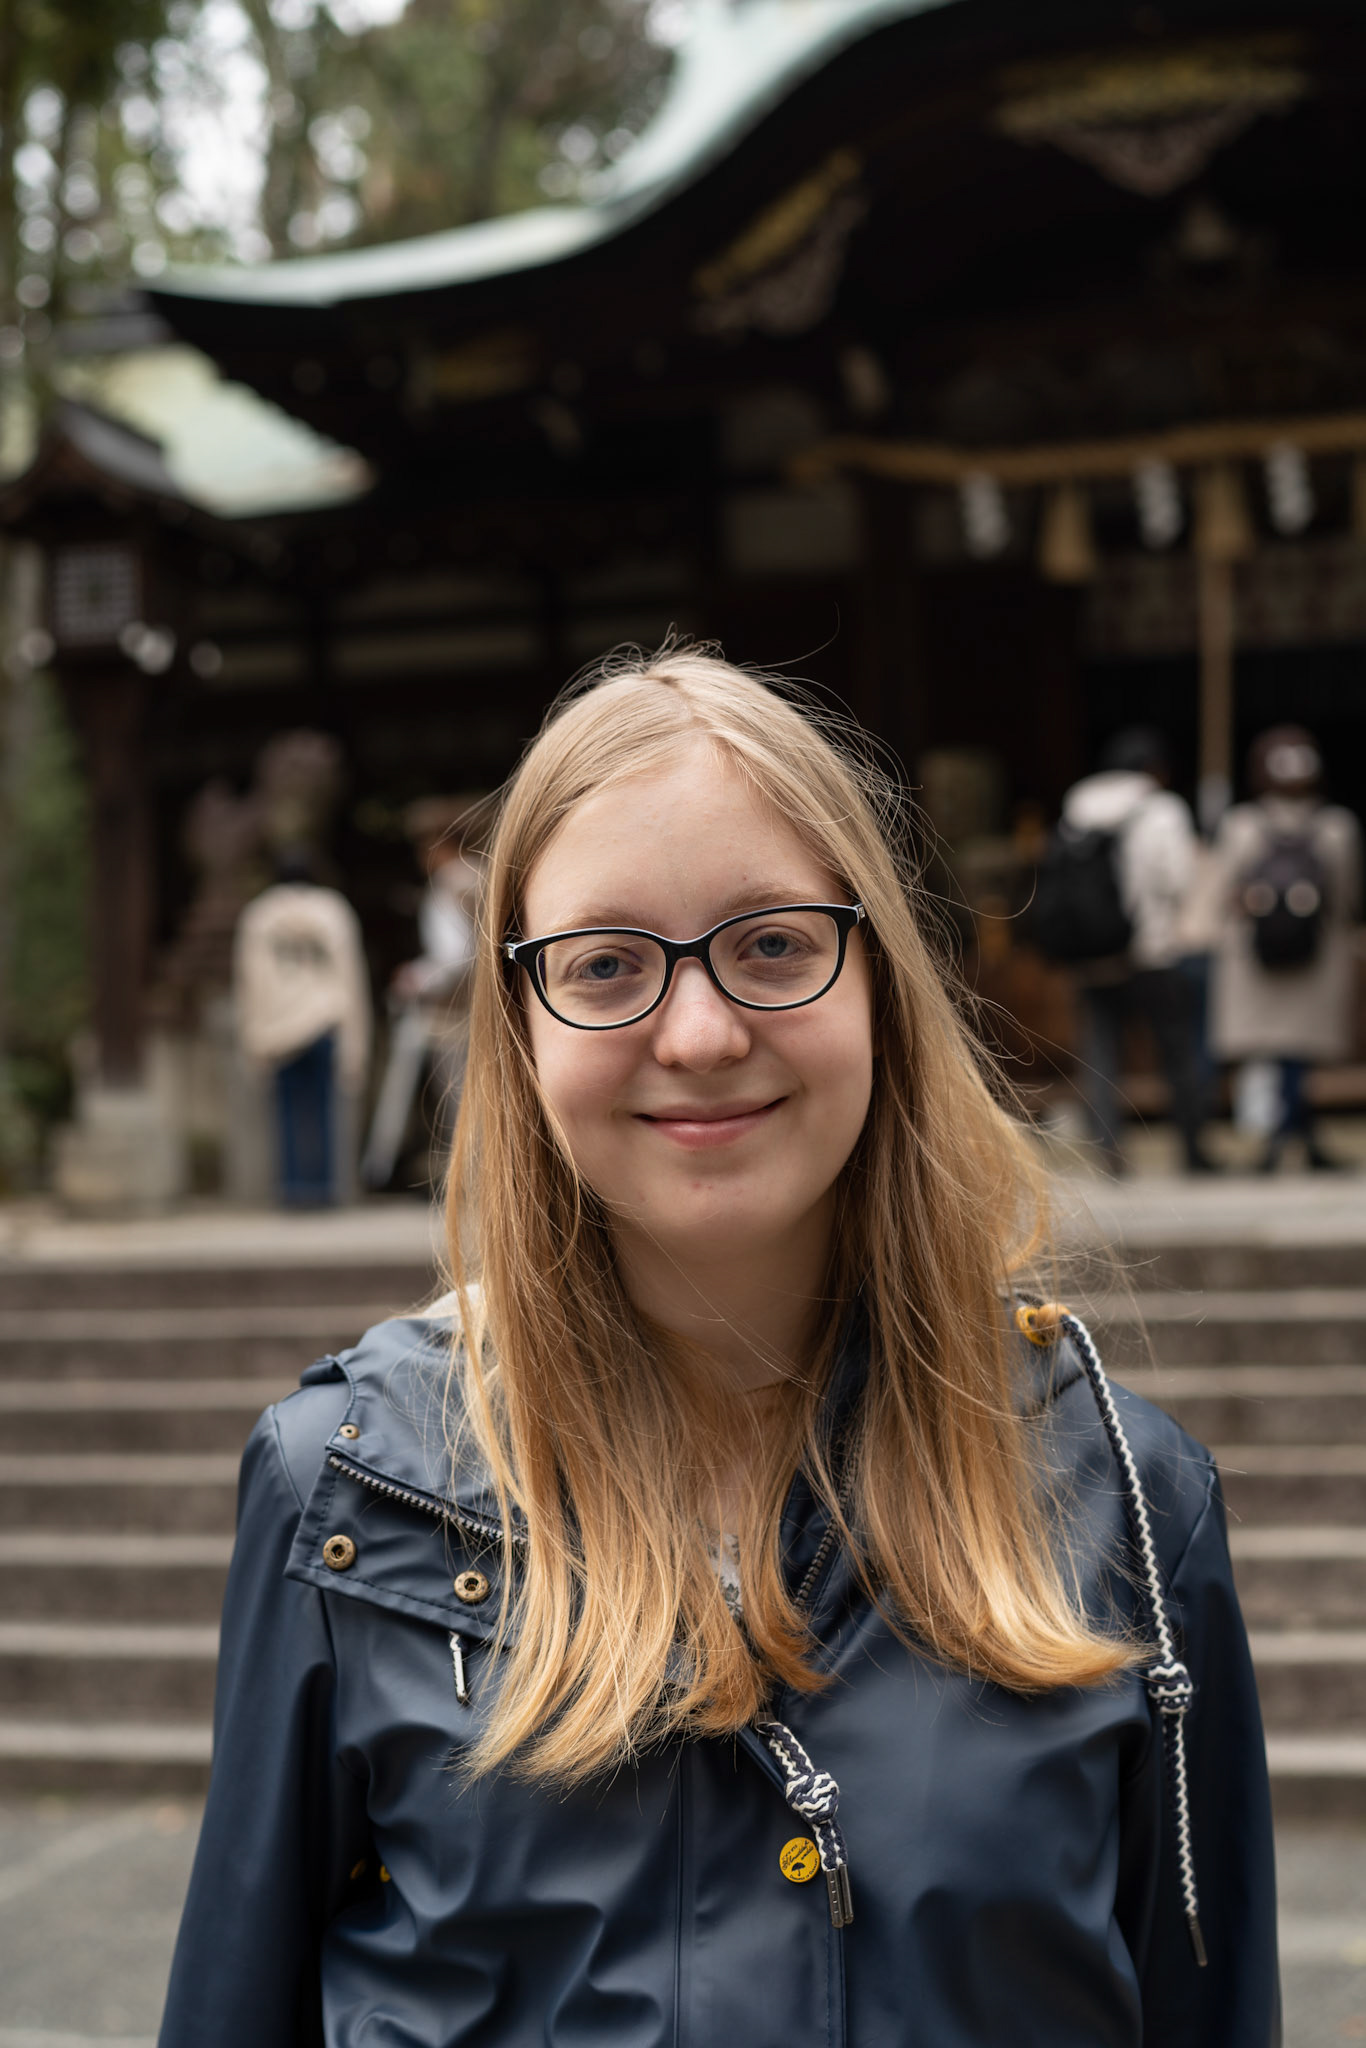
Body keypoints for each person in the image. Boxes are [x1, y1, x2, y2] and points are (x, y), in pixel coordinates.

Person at [163, 651, 1278, 2047]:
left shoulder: (1127, 1501)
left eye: (772, 945)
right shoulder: (344, 1489)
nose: (697, 1033)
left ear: (878, 977)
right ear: (518, 1019)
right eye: (605, 964)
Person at [1053, 729, 1216, 1174]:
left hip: (1093, 954)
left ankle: (1109, 1151)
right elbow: (1177, 880)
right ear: (1154, 768)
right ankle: (1192, 1148)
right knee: (1176, 1050)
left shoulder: (1078, 804)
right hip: (1151, 950)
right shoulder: (1163, 809)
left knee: (1101, 1054)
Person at [1211, 725, 1362, 1172]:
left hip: (1255, 958)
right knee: (1299, 1049)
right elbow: (1347, 897)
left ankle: (1283, 1137)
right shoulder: (1337, 828)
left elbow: (1223, 891)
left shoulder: (1240, 825)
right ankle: (1295, 1134)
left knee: (1276, 1050)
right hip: (1317, 955)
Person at [233, 849, 372, 1206]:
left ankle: (293, 1188)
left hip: (278, 1028)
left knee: (286, 1112)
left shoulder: (260, 915)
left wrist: (251, 1034)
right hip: (325, 1021)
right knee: (325, 1110)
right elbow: (350, 976)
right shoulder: (333, 910)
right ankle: (324, 1187)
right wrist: (356, 1040)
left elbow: (249, 981)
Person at [361, 797, 485, 1191]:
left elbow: (453, 957)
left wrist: (416, 979)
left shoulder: (447, 887)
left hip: (453, 1014)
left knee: (460, 1101)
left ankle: (473, 1184)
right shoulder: (486, 877)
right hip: (492, 1011)